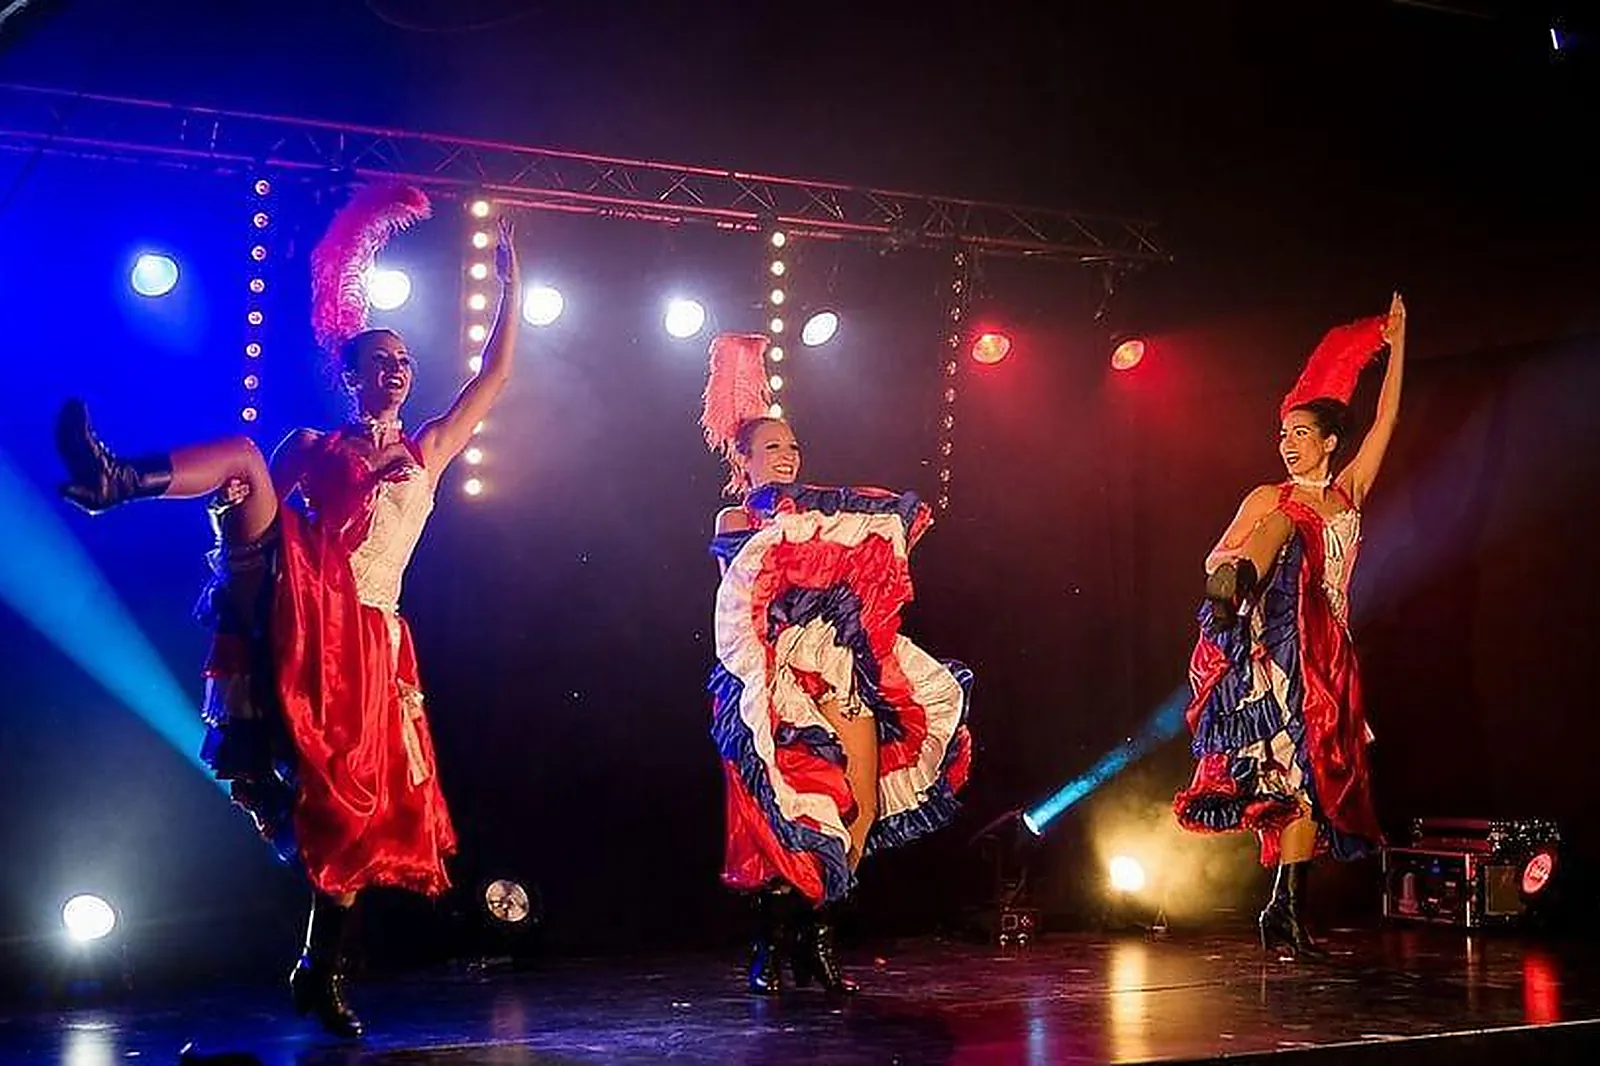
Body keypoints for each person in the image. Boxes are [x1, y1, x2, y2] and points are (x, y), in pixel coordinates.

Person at [53, 185, 522, 1036]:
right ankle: (116, 480)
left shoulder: (430, 450)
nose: (396, 371)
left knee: (351, 814)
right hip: (308, 598)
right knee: (238, 454)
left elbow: (494, 377)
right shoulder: (312, 446)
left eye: (405, 362)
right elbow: (256, 515)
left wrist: (509, 288)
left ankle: (318, 964)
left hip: (374, 636)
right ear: (349, 374)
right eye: (379, 360)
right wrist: (244, 583)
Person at [701, 333, 974, 996]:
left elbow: (869, 552)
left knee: (855, 812)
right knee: (790, 813)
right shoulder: (739, 513)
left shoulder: (831, 508)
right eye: (773, 448)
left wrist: (862, 534)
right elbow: (753, 584)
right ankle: (773, 944)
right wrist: (813, 537)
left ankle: (818, 945)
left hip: (841, 668)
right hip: (776, 676)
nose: (788, 457)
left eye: (793, 446)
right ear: (744, 459)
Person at [1174, 294, 1406, 958]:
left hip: (1328, 647)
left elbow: (1389, 414)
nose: (1288, 444)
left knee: (1307, 784)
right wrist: (1236, 575)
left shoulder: (1349, 491)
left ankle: (1284, 908)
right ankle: (1244, 583)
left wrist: (1399, 340)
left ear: (1331, 440)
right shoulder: (1265, 496)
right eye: (1283, 434)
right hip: (1272, 644)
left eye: (1300, 434)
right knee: (1280, 518)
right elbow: (1211, 557)